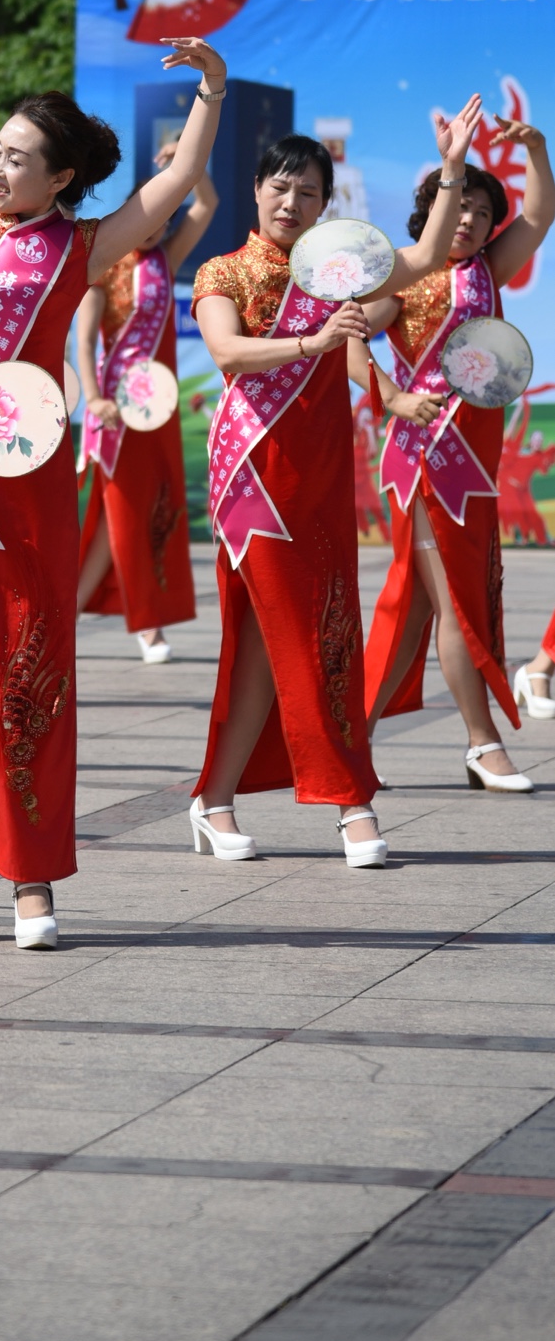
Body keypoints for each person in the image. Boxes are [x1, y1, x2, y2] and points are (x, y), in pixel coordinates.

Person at [0, 41, 227, 951]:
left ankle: (21, 871)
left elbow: (181, 175)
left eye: (18, 158)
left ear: (61, 176)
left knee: (27, 676)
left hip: (30, 483)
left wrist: (211, 88)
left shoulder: (81, 247)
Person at [189, 100, 482, 869]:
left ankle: (212, 797)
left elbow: (420, 260)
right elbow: (225, 351)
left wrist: (450, 172)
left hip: (319, 473)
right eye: (281, 188)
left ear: (327, 204)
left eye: (309, 194)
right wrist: (310, 340)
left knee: (275, 638)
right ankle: (350, 801)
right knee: (310, 633)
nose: (292, 203)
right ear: (257, 189)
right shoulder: (225, 270)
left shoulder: (335, 269)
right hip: (252, 473)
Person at [358, 120, 553, 790]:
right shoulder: (407, 273)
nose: (468, 219)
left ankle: (345, 738)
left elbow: (536, 214)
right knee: (453, 603)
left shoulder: (486, 270)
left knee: (414, 607)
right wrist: (387, 395)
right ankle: (481, 740)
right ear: (431, 209)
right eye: (458, 205)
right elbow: (348, 335)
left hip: (475, 464)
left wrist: (533, 150)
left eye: (479, 211)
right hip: (423, 459)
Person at [75, 144, 216, 662]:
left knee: (145, 511)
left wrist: (189, 159)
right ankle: (147, 625)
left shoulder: (164, 258)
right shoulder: (106, 263)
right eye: (148, 215)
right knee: (123, 511)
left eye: (165, 215)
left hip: (156, 407)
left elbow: (207, 206)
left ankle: (79, 611)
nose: (157, 225)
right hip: (116, 406)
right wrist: (93, 398)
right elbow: (85, 339)